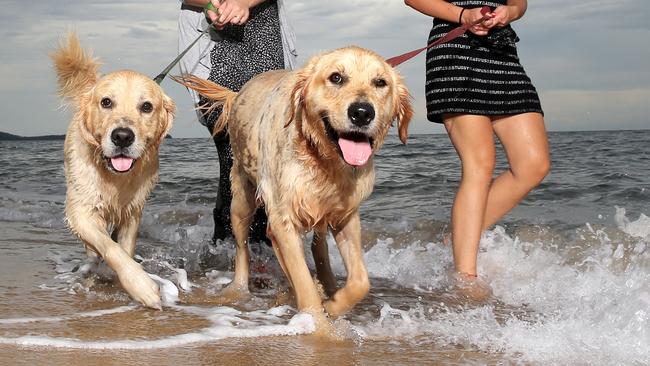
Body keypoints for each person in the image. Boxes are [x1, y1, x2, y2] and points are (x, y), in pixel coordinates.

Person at [404, 0, 550, 297]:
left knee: (533, 165)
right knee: (480, 164)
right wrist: (463, 14)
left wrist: (511, 12)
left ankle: (457, 239)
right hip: (456, 52)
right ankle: (465, 279)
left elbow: (519, 2)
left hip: (502, 53)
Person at [178, 0, 297, 245]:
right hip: (212, 46)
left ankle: (266, 252)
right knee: (231, 152)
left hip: (266, 38)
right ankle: (226, 251)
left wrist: (244, 2)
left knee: (268, 154)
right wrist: (210, 3)